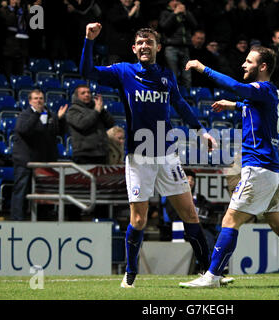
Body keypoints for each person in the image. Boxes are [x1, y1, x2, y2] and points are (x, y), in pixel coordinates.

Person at [80, 23, 218, 288]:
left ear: (158, 47)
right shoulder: (124, 71)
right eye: (140, 42)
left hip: (167, 154)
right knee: (139, 219)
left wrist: (201, 131)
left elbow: (180, 104)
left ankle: (207, 272)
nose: (145, 46)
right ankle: (130, 274)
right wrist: (89, 40)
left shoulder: (166, 76)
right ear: (134, 48)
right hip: (139, 156)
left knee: (190, 214)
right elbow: (86, 71)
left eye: (149, 42)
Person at [180, 46, 279, 288]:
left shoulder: (263, 89)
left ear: (263, 67)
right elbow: (255, 107)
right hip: (272, 171)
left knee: (230, 221)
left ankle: (212, 276)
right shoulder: (271, 93)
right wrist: (234, 106)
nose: (243, 65)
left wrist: (202, 68)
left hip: (258, 169)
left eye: (249, 61)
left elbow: (238, 88)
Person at [11, 90, 67, 221]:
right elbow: (24, 130)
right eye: (35, 98)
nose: (39, 101)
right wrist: (36, 114)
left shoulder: (50, 115)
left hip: (44, 162)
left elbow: (59, 133)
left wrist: (60, 119)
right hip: (26, 161)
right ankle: (17, 220)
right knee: (21, 191)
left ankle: (43, 220)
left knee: (44, 194)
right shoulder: (24, 115)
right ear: (30, 101)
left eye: (41, 98)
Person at [66, 85, 114, 165]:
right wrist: (96, 112)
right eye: (83, 93)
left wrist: (102, 110)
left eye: (88, 92)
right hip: (84, 155)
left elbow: (110, 123)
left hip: (102, 153)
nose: (87, 95)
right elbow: (83, 124)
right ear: (77, 96)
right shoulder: (73, 110)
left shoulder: (96, 108)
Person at [159, 0, 198, 88]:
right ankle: (173, 97)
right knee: (173, 74)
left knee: (187, 76)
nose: (176, 3)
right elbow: (164, 26)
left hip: (185, 47)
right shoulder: (165, 13)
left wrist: (186, 13)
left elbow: (195, 25)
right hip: (171, 47)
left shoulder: (185, 14)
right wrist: (174, 13)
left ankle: (188, 98)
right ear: (169, 3)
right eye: (174, 1)